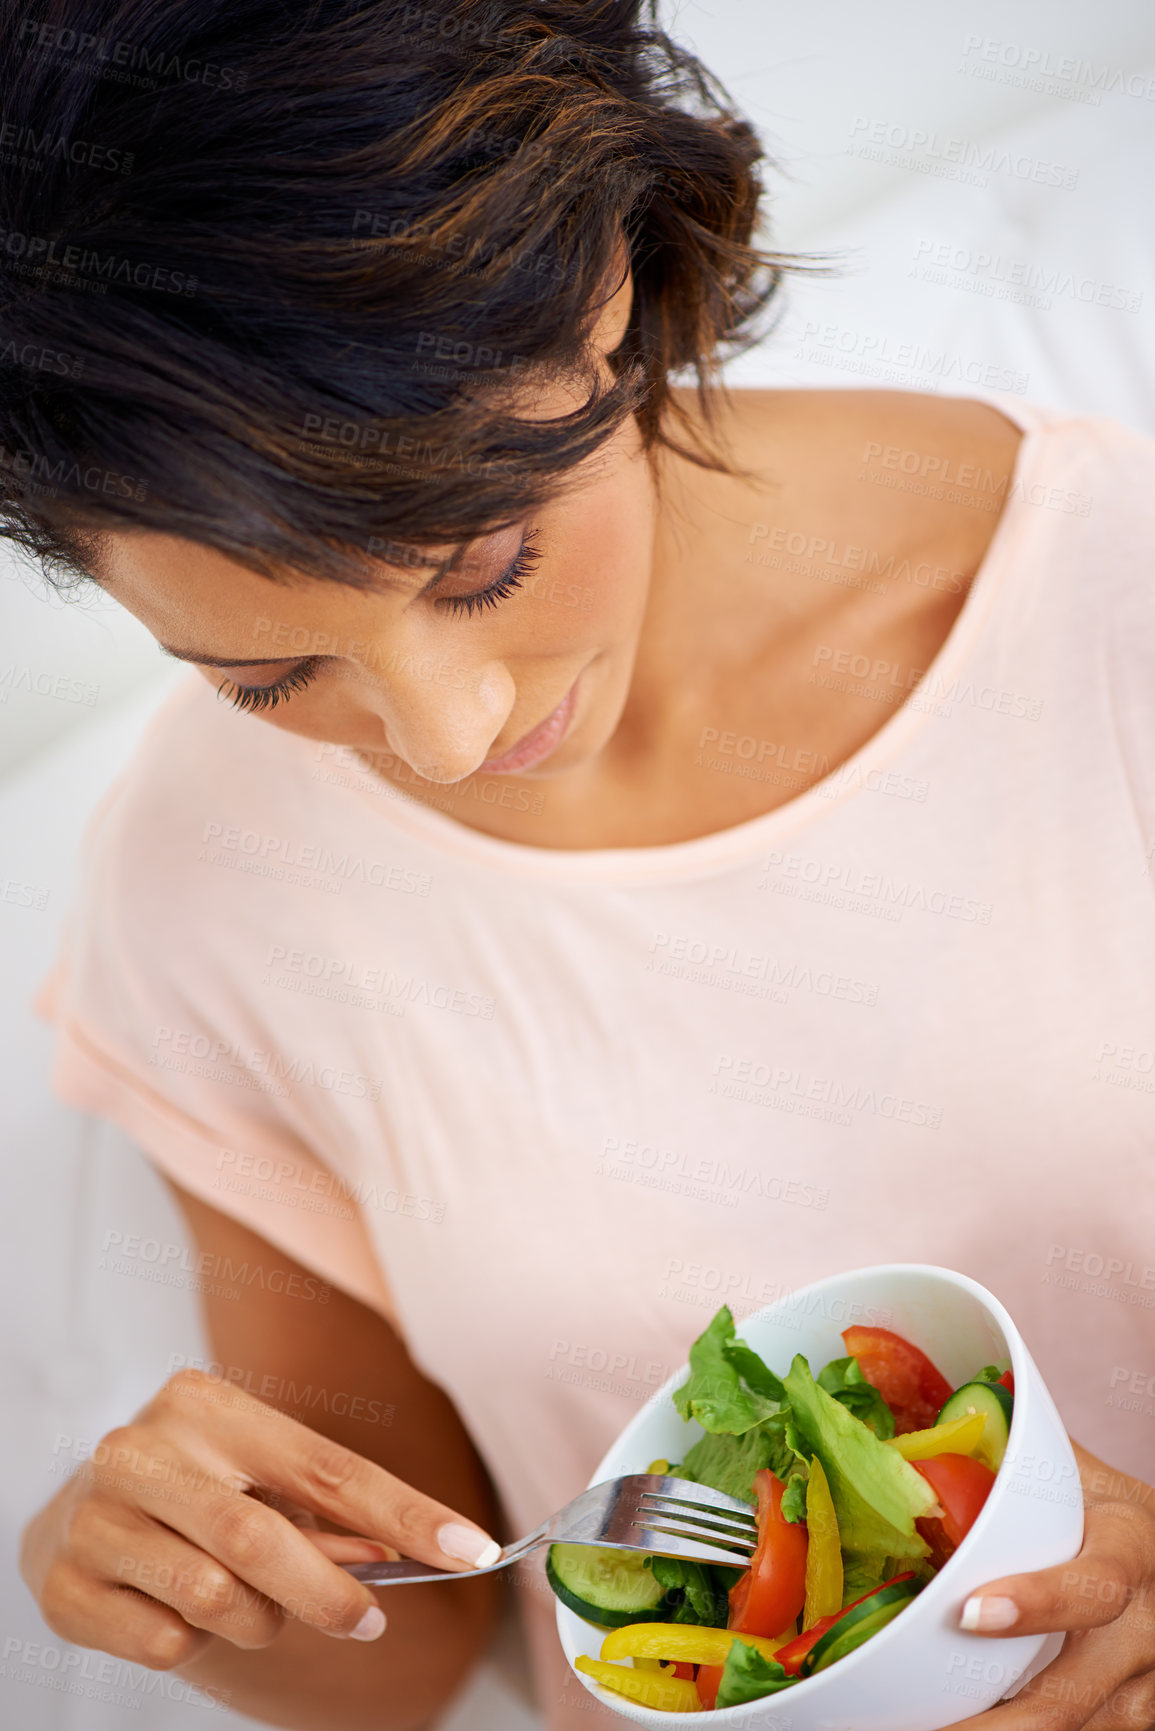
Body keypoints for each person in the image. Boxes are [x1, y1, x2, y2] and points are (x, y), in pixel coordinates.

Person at [7, 2, 1155, 1727]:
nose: (449, 735)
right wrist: (198, 1577)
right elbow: (419, 1637)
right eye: (271, 676)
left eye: (481, 562)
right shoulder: (205, 879)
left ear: (608, 284)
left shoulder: (1111, 611)